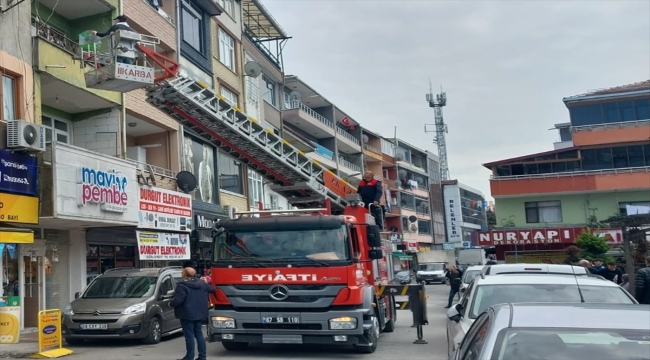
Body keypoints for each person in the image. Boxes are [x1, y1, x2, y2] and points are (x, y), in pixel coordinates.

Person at [170, 267, 216, 360]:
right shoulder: (201, 283)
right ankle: (202, 356)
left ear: (184, 274)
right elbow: (213, 289)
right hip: (199, 313)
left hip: (187, 314)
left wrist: (171, 303)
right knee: (199, 334)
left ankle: (189, 356)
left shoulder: (182, 286)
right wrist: (206, 282)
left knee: (189, 335)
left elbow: (179, 300)